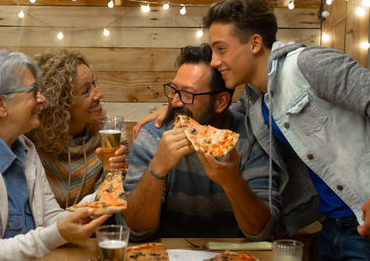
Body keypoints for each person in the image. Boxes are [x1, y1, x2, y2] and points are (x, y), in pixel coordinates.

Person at [135, 0, 370, 259]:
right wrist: (174, 108)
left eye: (221, 49)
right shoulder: (255, 104)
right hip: (335, 224)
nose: (213, 61)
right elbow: (215, 113)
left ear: (255, 43)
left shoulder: (309, 64)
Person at [118, 44, 281, 241]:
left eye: (187, 94)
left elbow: (262, 231)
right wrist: (157, 168)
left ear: (221, 101)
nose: (175, 102)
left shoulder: (251, 138)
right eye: (173, 90)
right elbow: (134, 229)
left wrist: (233, 182)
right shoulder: (153, 135)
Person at [0, 48, 110, 260]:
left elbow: (49, 218)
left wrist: (103, 197)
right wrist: (56, 234)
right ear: (0, 105)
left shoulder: (26, 149)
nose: (43, 99)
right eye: (33, 92)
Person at [0, 50, 127, 209]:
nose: (99, 94)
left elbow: (54, 219)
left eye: (94, 83)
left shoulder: (110, 136)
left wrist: (113, 175)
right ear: (61, 103)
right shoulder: (29, 139)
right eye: (86, 91)